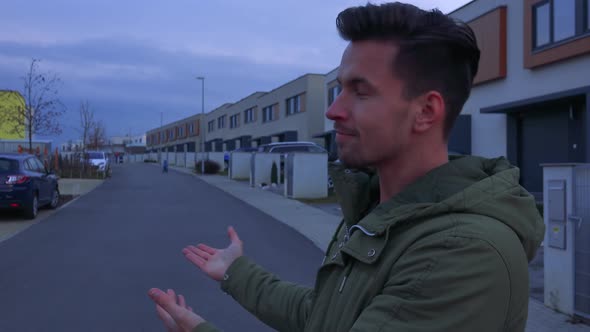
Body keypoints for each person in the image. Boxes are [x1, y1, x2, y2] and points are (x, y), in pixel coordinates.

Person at [148, 2, 545, 331]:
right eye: (339, 90)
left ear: (425, 111)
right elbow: (324, 316)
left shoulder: (462, 253)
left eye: (360, 91)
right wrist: (236, 272)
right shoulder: (379, 210)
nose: (334, 111)